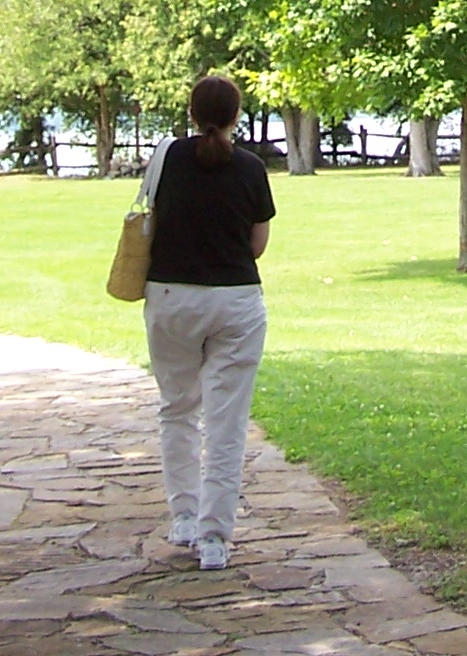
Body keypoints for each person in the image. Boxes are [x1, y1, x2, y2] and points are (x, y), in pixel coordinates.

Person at [144, 73, 276, 571]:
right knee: (227, 421)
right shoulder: (251, 169)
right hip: (237, 302)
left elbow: (149, 217)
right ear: (236, 115)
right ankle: (215, 538)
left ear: (193, 113)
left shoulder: (166, 157)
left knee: (177, 407)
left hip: (171, 297)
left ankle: (183, 516)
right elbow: (257, 245)